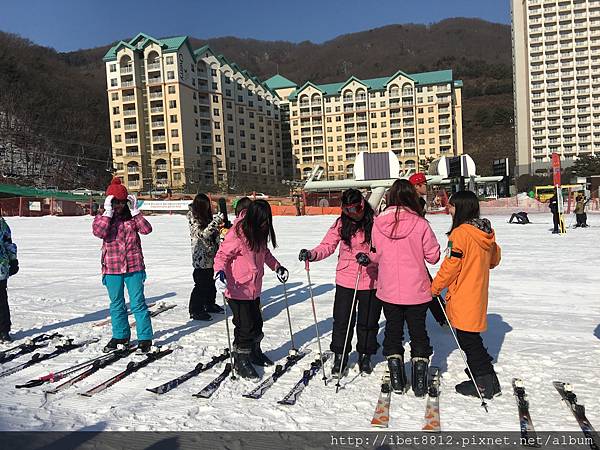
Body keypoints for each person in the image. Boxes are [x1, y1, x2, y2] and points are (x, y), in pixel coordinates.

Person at [368, 179, 441, 396]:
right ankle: (419, 379)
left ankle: (397, 377)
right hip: (417, 289)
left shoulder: (378, 223)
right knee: (418, 332)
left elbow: (375, 255)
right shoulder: (420, 224)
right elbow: (433, 256)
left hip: (388, 288)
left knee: (393, 331)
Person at [298, 188, 381, 375]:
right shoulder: (340, 224)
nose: (354, 214)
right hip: (346, 279)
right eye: (348, 210)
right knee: (343, 320)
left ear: (363, 204)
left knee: (368, 321)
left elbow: (384, 250)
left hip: (371, 280)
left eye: (357, 209)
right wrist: (312, 254)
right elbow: (327, 245)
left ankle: (365, 354)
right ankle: (340, 354)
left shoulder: (377, 222)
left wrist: (370, 257)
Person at [431, 190, 502, 400]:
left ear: (460, 208)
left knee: (468, 340)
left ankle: (483, 382)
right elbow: (494, 260)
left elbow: (451, 266)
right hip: (477, 291)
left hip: (463, 293)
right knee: (471, 338)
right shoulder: (486, 231)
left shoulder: (460, 234)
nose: (448, 210)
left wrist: (435, 287)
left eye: (451, 206)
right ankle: (485, 375)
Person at [213, 200, 288, 379]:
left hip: (253, 288)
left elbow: (265, 254)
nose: (265, 225)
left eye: (267, 221)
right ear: (254, 218)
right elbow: (221, 255)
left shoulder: (258, 232)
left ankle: (254, 352)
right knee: (244, 325)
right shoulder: (237, 234)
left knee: (256, 322)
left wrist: (277, 267)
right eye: (262, 221)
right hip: (236, 288)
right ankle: (241, 359)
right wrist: (219, 273)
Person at [92, 178, 154, 353]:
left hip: (134, 267)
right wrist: (108, 213)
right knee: (116, 304)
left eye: (121, 202)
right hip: (112, 268)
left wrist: (136, 212)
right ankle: (120, 335)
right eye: (115, 202)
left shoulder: (131, 218)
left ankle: (145, 337)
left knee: (138, 303)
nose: (119, 205)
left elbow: (147, 230)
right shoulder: (103, 218)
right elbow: (99, 232)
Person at [409, 173, 447, 328]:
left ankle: (441, 316)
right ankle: (442, 317)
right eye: (424, 183)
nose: (427, 186)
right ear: (417, 186)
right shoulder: (413, 203)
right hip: (411, 251)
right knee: (427, 285)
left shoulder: (418, 201)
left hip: (413, 250)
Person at [188, 193, 224, 321]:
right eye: (206, 205)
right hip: (200, 258)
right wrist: (215, 223)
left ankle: (209, 304)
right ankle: (195, 309)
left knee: (210, 283)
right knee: (201, 284)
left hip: (211, 256)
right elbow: (202, 234)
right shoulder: (193, 218)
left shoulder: (207, 218)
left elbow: (213, 235)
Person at [0, 215, 18, 342]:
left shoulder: (1, 224)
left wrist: (13, 260)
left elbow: (8, 242)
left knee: (1, 299)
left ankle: (3, 331)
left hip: (0, 268)